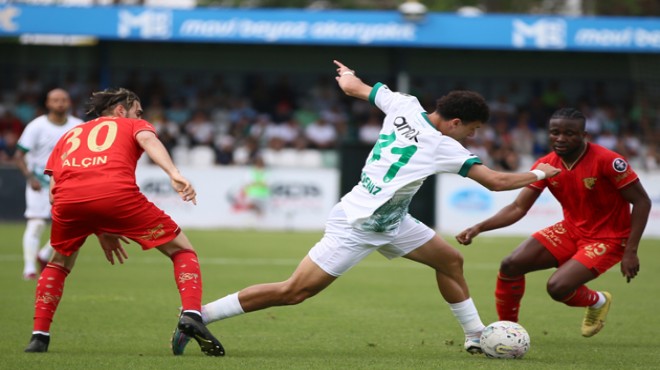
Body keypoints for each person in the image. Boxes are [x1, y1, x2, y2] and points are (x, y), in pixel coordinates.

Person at [168, 60, 561, 356]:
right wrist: (538, 174)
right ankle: (199, 315)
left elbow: (358, 88)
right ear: (456, 122)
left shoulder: (404, 104)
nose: (473, 137)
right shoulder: (444, 146)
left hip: (393, 220)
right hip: (357, 224)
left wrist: (346, 77)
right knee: (294, 291)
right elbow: (494, 181)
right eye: (472, 130)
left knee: (451, 261)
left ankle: (475, 336)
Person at [24, 87, 224, 356]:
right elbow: (149, 141)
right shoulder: (133, 124)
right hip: (116, 195)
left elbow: (53, 191)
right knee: (182, 249)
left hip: (67, 203)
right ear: (121, 110)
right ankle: (191, 314)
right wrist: (174, 173)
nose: (141, 116)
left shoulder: (69, 134)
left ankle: (39, 337)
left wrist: (100, 226)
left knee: (59, 263)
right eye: (138, 111)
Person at [456, 107, 651, 338]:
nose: (560, 138)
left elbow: (642, 202)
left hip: (608, 238)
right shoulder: (546, 165)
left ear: (583, 136)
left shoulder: (608, 161)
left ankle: (598, 301)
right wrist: (479, 227)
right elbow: (519, 207)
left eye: (569, 133)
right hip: (570, 230)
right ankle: (508, 332)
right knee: (510, 265)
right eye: (555, 132)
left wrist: (631, 250)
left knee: (557, 288)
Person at [14, 88, 83, 280]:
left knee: (72, 227)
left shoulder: (79, 126)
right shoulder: (36, 126)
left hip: (67, 184)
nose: (60, 103)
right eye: (55, 100)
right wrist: (30, 178)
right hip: (40, 182)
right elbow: (19, 156)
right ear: (47, 103)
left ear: (69, 102)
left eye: (63, 99)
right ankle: (29, 268)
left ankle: (43, 255)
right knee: (36, 224)